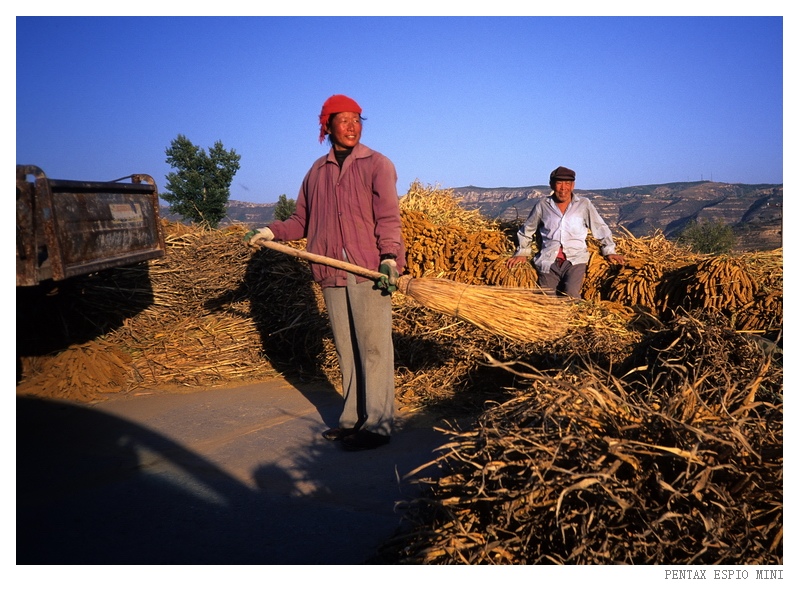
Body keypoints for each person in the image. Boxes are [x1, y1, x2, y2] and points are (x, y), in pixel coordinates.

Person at [244, 94, 406, 451]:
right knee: (346, 348)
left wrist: (390, 257)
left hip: (367, 270)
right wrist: (271, 231)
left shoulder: (377, 164)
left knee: (374, 348)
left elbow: (389, 217)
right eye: (343, 120)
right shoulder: (316, 172)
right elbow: (301, 220)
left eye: (357, 120)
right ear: (328, 126)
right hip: (330, 269)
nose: (352, 127)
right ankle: (352, 419)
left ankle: (378, 424)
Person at [506, 166, 625, 299]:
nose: (563, 188)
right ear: (551, 185)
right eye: (559, 183)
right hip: (549, 260)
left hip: (575, 259)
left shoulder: (584, 204)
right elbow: (527, 230)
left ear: (573, 185)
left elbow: (600, 227)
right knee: (544, 298)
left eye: (567, 183)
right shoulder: (543, 205)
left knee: (571, 295)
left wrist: (609, 250)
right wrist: (522, 252)